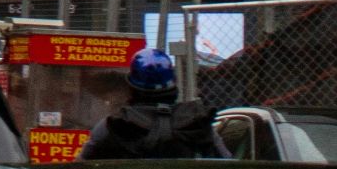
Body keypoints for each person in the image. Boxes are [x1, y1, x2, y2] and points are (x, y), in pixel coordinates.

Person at [79, 48, 227, 161]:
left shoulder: (112, 126)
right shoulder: (197, 124)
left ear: (131, 87)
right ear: (173, 85)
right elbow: (227, 166)